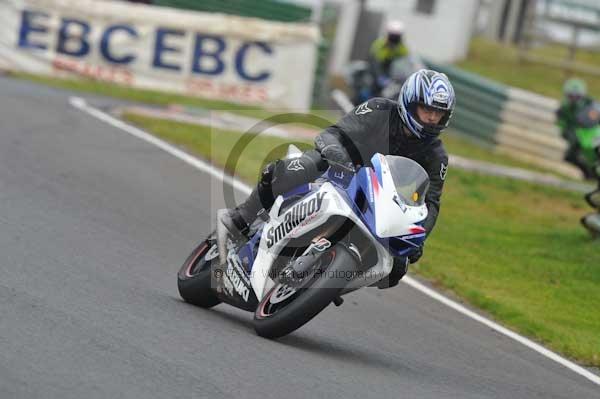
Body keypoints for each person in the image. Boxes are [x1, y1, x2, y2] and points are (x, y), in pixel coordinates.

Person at [219, 69, 455, 288]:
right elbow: (334, 133)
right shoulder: (378, 109)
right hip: (338, 169)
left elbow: (430, 202)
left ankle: (329, 281)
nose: (432, 118)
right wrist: (336, 155)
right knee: (294, 168)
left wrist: (418, 237)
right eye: (427, 110)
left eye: (438, 113)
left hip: (378, 201)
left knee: (396, 268)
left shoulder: (437, 155)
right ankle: (244, 215)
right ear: (410, 104)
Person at [556, 78, 594, 176]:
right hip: (575, 136)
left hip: (591, 133)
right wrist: (570, 134)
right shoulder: (562, 109)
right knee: (569, 156)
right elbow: (561, 126)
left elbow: (596, 114)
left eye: (576, 96)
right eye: (571, 96)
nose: (574, 98)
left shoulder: (590, 103)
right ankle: (588, 174)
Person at [368, 20, 410, 95]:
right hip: (377, 72)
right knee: (374, 90)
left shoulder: (402, 48)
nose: (394, 39)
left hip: (392, 76)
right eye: (393, 36)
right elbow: (375, 63)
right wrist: (380, 77)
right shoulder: (379, 44)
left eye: (397, 37)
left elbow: (408, 61)